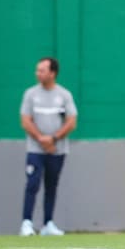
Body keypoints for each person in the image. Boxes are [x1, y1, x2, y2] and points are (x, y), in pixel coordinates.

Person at [19, 57, 78, 236]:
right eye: (37, 70)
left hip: (57, 150)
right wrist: (41, 139)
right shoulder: (31, 94)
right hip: (35, 150)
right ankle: (27, 223)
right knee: (32, 183)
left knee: (51, 185)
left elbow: (72, 121)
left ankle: (47, 224)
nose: (38, 73)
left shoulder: (64, 95)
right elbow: (25, 120)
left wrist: (53, 139)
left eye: (42, 70)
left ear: (52, 73)